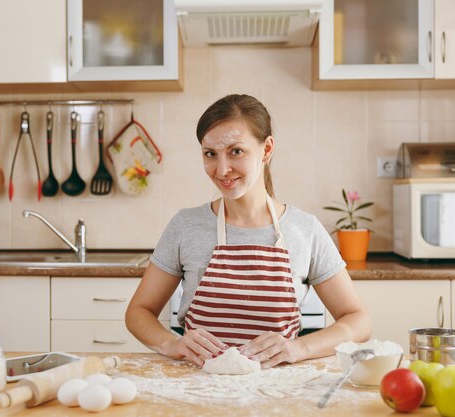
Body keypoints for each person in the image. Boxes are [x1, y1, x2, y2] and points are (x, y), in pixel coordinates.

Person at [126, 94, 371, 369]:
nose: (222, 169)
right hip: (198, 389)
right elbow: (138, 312)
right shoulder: (186, 225)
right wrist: (172, 343)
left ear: (266, 149)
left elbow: (358, 320)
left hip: (279, 394)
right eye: (210, 154)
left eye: (236, 151)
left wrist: (300, 347)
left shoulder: (304, 229)